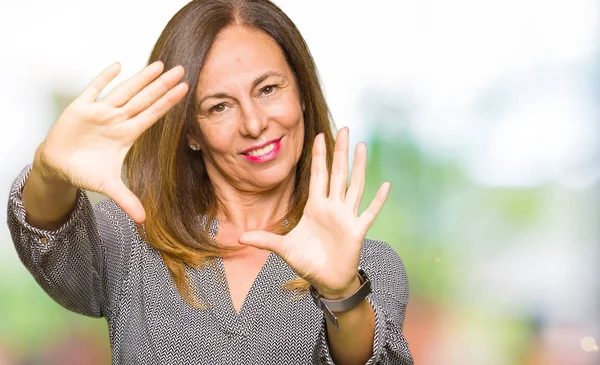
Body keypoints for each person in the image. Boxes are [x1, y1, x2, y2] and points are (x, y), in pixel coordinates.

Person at [7, 0, 413, 364]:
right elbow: (52, 243)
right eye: (219, 106)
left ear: (302, 92)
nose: (254, 124)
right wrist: (50, 172)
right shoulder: (133, 238)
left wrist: (342, 292)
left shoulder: (371, 266)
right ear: (190, 133)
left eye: (268, 89)